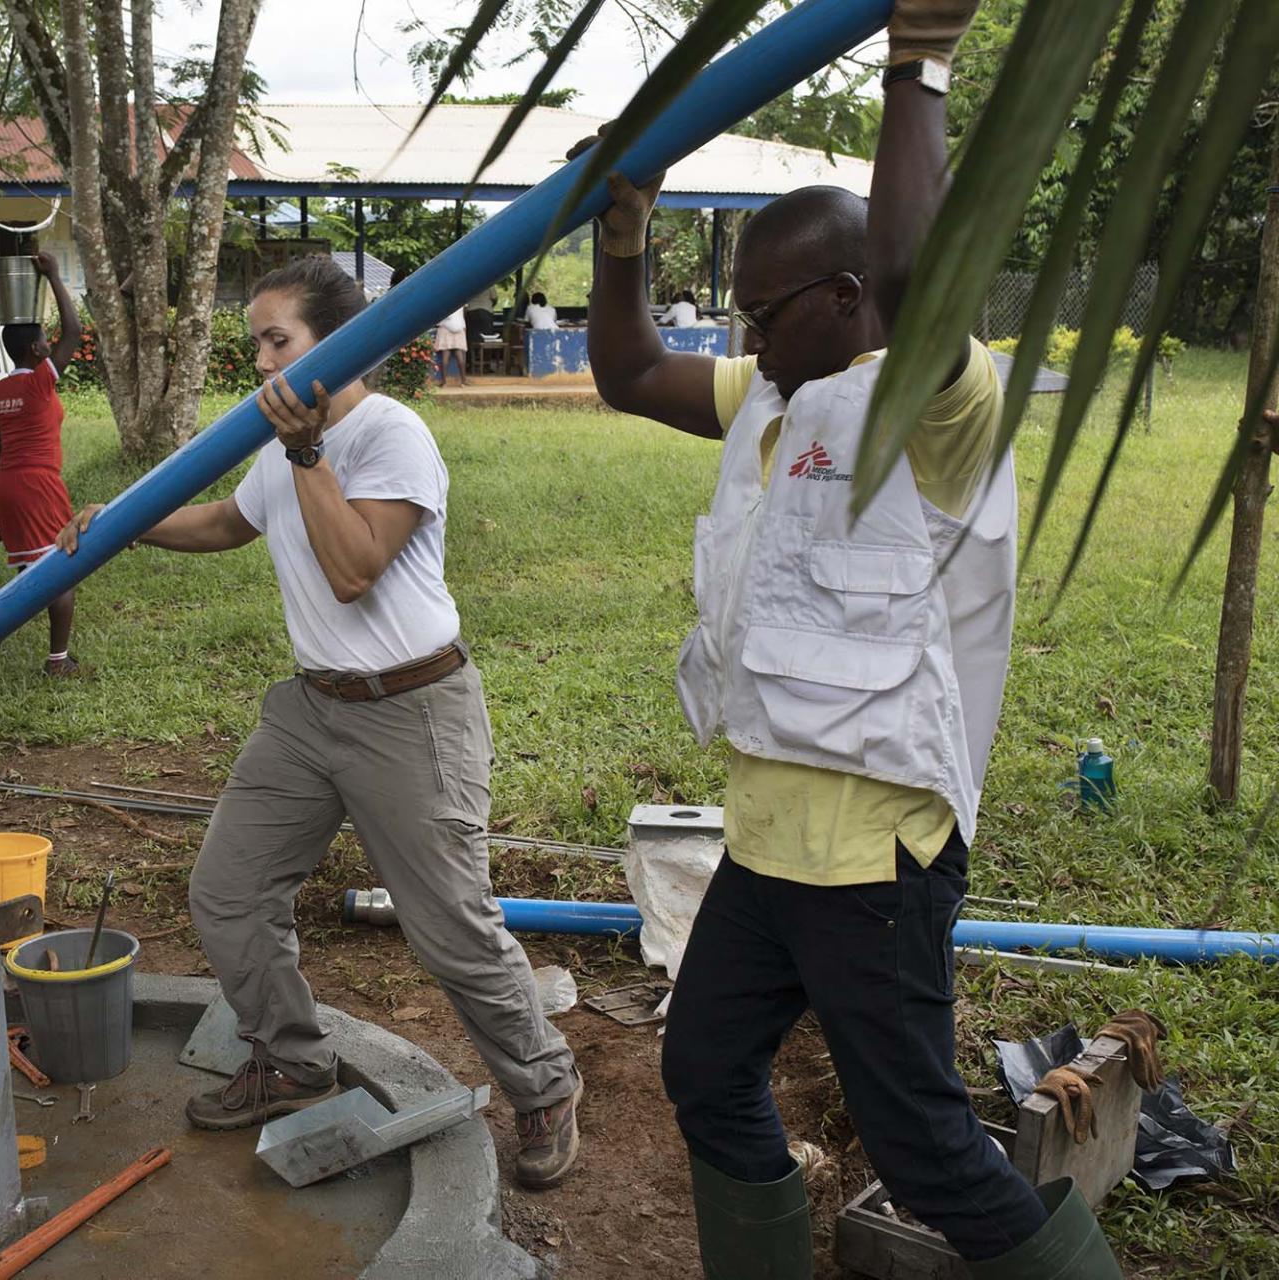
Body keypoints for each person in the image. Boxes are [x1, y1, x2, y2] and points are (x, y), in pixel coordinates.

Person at [582, 2, 1125, 1276]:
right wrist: (621, 234)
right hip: (770, 842)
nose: (746, 340)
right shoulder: (774, 400)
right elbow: (625, 371)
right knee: (704, 1067)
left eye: (766, 313)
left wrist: (915, 68)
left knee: (924, 1142)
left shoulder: (938, 404)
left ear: (846, 295)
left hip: (874, 855)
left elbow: (924, 286)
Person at [56, 256, 585, 1189]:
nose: (263, 363)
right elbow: (230, 523)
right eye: (257, 342)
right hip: (310, 708)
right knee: (227, 890)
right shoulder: (280, 442)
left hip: (408, 709)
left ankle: (543, 1086)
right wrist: (128, 521)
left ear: (338, 346)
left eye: (278, 342)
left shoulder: (391, 434)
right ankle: (289, 1058)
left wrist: (307, 455)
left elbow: (354, 568)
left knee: (450, 926)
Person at [0, 250, 83, 676]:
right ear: (34, 348)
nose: (50, 345)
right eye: (44, 341)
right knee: (61, 570)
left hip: (7, 485)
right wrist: (54, 277)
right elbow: (75, 331)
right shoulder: (40, 383)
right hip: (39, 484)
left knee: (30, 577)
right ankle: (57, 662)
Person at [433, 306, 468, 386]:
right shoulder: (461, 302)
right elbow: (462, 316)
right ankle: (463, 381)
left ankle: (444, 382)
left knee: (445, 355)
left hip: (445, 329)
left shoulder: (444, 302)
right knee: (459, 354)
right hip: (459, 328)